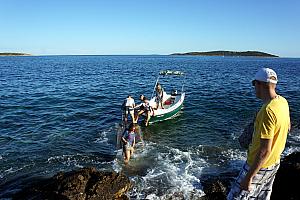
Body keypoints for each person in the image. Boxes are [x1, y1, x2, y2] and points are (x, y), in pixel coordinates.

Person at [227, 68, 290, 200]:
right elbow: (287, 127)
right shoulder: (282, 102)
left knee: (236, 197)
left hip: (258, 166)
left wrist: (248, 178)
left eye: (254, 84)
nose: (254, 88)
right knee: (262, 197)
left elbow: (264, 150)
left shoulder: (267, 111)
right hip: (274, 163)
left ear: (260, 84)